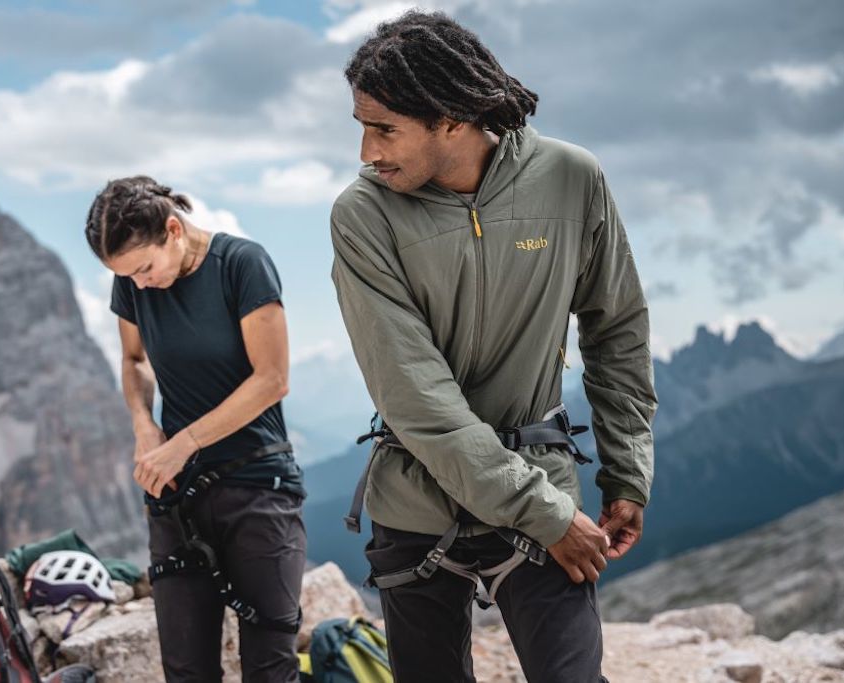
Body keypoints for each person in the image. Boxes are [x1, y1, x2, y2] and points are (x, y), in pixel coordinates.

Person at [330, 11, 656, 683]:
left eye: (384, 127)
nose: (367, 151)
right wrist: (542, 509)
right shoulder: (363, 214)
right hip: (422, 509)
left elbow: (615, 328)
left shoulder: (572, 178)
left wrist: (627, 471)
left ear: (451, 117)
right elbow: (414, 394)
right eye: (362, 126)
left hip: (543, 487)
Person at [85, 176, 306, 683]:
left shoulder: (242, 265)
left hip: (259, 489)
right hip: (177, 497)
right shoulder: (133, 282)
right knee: (186, 670)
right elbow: (134, 360)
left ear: (173, 229)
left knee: (271, 667)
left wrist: (181, 443)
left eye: (144, 268)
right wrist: (144, 426)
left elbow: (272, 380)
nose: (139, 284)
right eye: (127, 276)